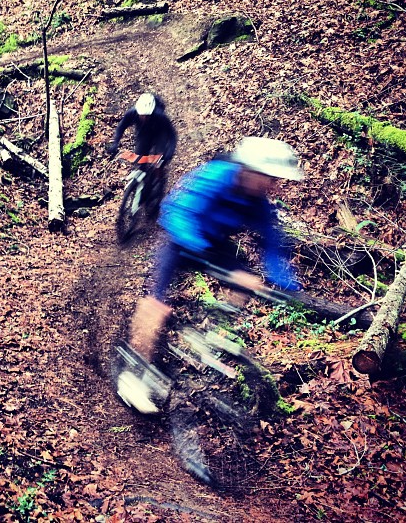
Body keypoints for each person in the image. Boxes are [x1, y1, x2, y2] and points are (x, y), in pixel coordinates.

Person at [116, 136, 305, 414]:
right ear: (250, 170)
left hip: (214, 245)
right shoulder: (216, 177)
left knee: (247, 282)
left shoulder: (257, 202)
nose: (273, 186)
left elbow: (271, 242)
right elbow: (177, 212)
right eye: (270, 178)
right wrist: (202, 253)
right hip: (180, 240)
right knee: (156, 305)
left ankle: (211, 330)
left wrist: (285, 282)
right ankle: (133, 373)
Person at [107, 92, 177, 165]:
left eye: (147, 116)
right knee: (139, 158)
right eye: (142, 115)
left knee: (160, 158)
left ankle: (159, 169)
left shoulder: (160, 115)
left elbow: (172, 135)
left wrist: (169, 153)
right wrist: (115, 143)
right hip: (143, 132)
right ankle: (142, 168)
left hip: (159, 132)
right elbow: (121, 127)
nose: (144, 118)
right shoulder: (132, 113)